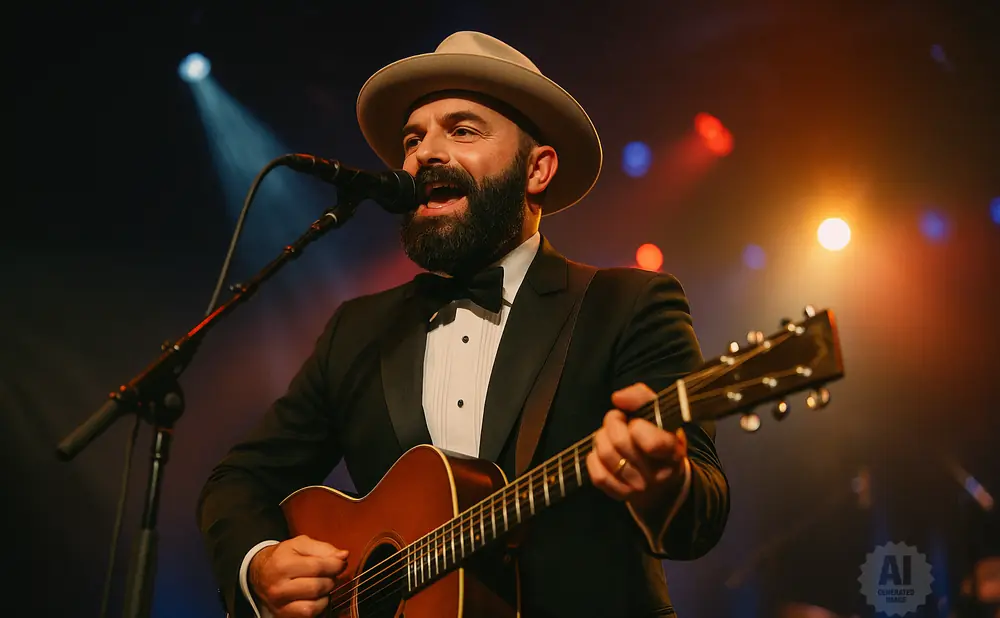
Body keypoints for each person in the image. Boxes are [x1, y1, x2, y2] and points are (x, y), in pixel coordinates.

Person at [197, 31, 729, 618]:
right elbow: (239, 479)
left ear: (537, 169)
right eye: (412, 138)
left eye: (463, 130)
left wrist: (663, 483)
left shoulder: (628, 304)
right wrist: (259, 565)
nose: (424, 153)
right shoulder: (359, 330)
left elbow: (700, 515)